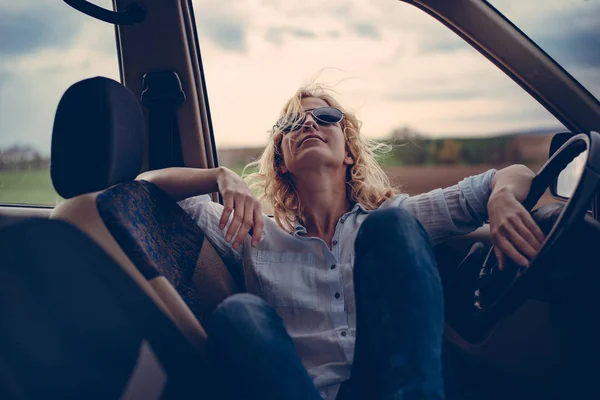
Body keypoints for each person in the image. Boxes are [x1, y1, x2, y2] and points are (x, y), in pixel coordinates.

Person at [137, 84, 545, 400]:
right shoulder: (254, 232)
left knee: (391, 226)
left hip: (391, 386)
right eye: (292, 124)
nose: (308, 124)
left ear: (348, 151)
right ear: (281, 159)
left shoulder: (394, 217)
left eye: (324, 117)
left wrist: (502, 198)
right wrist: (218, 176)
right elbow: (146, 186)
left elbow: (511, 174)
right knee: (238, 313)